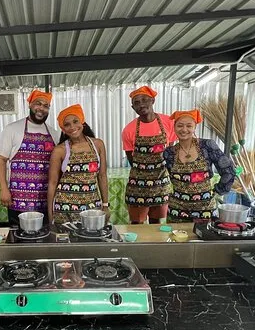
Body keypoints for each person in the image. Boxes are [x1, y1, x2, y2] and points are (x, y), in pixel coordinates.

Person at [0, 89, 61, 226]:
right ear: (30, 104)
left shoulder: (54, 134)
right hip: (18, 201)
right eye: (38, 103)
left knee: (45, 235)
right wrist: (4, 189)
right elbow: (1, 159)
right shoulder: (12, 129)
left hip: (46, 200)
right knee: (18, 236)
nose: (41, 108)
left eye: (46, 106)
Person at [164, 110, 235, 222]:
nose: (184, 130)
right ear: (174, 127)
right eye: (180, 125)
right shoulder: (169, 152)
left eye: (189, 126)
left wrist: (217, 191)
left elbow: (229, 171)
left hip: (205, 210)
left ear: (195, 127)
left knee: (203, 233)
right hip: (176, 211)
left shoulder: (207, 146)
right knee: (176, 234)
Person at [122, 85, 177, 224]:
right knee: (137, 224)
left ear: (152, 100)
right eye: (136, 103)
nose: (141, 105)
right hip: (138, 185)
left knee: (156, 224)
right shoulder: (128, 130)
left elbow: (170, 153)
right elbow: (131, 160)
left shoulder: (168, 122)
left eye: (145, 100)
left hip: (161, 183)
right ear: (133, 107)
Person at [47, 104, 109, 225]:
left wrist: (105, 205)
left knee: (92, 235)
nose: (72, 127)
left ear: (82, 122)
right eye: (67, 125)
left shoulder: (98, 145)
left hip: (92, 206)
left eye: (75, 121)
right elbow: (52, 183)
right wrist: (50, 215)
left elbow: (102, 176)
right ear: (63, 129)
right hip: (65, 209)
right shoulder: (60, 150)